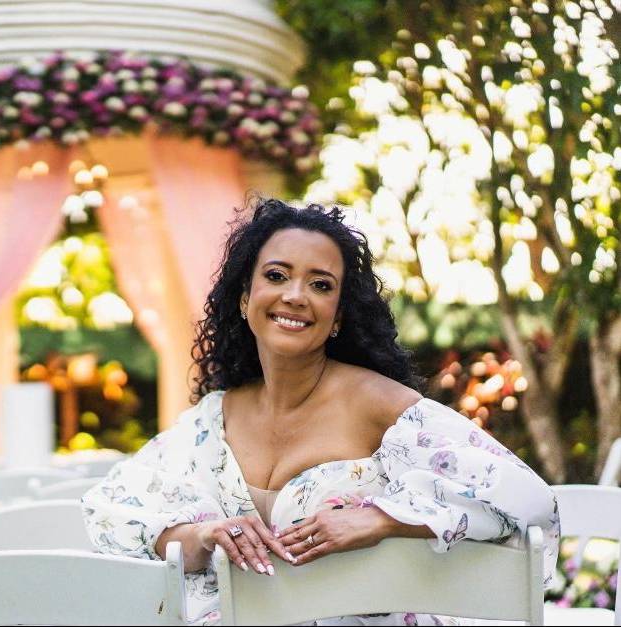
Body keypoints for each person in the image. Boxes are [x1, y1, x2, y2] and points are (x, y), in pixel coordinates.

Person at [82, 199, 559, 625]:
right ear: (245, 299)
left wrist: (384, 518)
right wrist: (204, 534)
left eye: (320, 284)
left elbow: (527, 498)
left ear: (339, 317)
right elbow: (113, 516)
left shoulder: (378, 404)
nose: (295, 295)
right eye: (276, 275)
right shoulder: (214, 418)